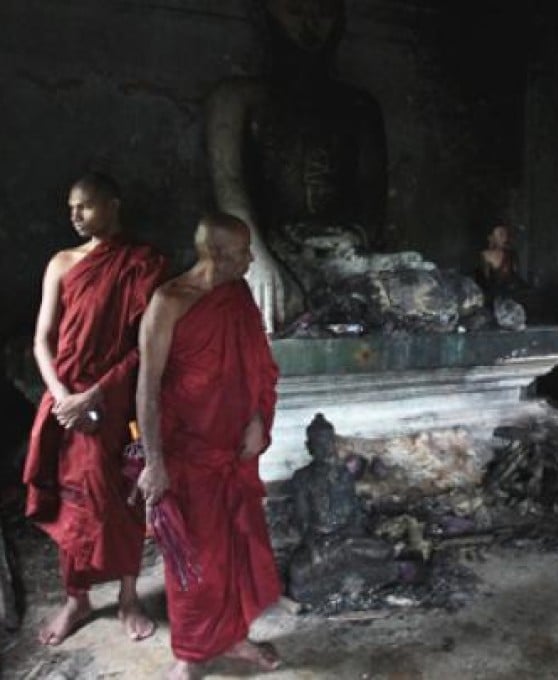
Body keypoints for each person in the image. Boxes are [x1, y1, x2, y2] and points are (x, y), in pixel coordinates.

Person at [23, 172, 167, 645]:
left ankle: (129, 598)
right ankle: (76, 599)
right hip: (64, 400)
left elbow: (143, 345)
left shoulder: (142, 263)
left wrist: (96, 393)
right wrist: (63, 395)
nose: (75, 216)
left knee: (121, 497)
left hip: (114, 399)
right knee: (72, 502)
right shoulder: (62, 263)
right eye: (70, 208)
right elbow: (42, 341)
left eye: (84, 206)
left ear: (113, 204)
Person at [135, 213, 281, 679]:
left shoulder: (236, 295)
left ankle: (234, 638)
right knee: (194, 563)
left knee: (236, 549)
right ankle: (193, 654)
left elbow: (257, 362)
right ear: (217, 254)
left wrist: (257, 416)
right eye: (243, 252)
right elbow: (147, 389)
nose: (251, 259)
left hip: (233, 453)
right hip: (188, 456)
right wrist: (154, 462)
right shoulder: (169, 302)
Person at [207, 0, 387, 333]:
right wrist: (257, 257)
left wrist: (353, 238)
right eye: (295, 12)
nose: (309, 27)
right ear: (267, 15)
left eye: (322, 14)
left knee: (426, 294)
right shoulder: (235, 98)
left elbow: (372, 195)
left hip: (344, 259)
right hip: (271, 253)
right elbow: (229, 186)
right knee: (279, 303)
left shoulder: (359, 107)